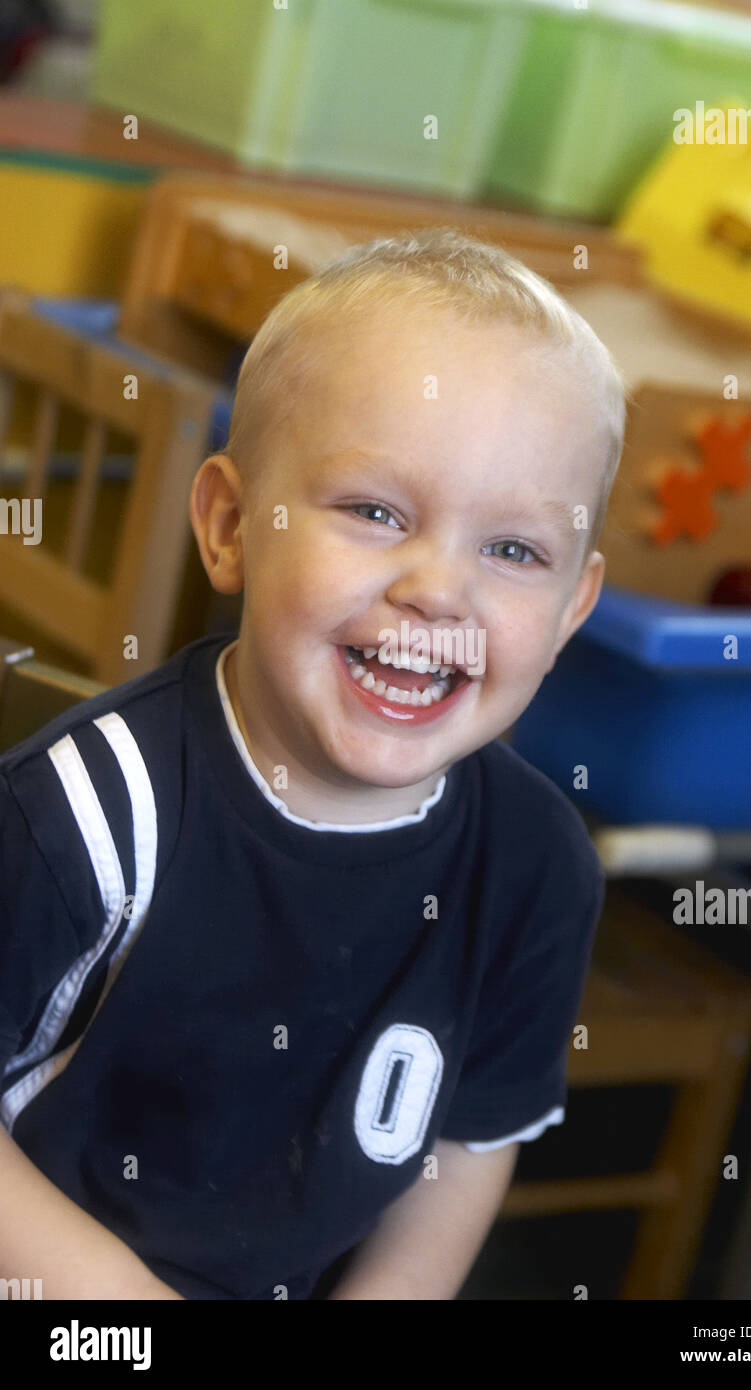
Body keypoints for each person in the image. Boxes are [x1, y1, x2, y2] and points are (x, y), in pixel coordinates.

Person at [0, 226, 626, 1300]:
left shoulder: (533, 866)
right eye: (375, 512)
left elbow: (467, 1139)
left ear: (572, 606)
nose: (439, 589)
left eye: (513, 550)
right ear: (234, 524)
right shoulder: (86, 819)